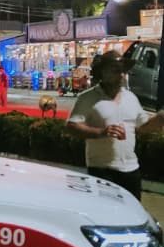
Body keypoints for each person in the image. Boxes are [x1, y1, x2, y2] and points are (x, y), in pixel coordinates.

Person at [67, 50, 164, 199]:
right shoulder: (88, 98)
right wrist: (101, 133)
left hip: (131, 169)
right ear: (103, 72)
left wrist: (159, 119)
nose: (121, 75)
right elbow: (72, 126)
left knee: (133, 215)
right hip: (102, 171)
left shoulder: (131, 98)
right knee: (107, 217)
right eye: (116, 70)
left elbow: (143, 127)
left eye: (123, 71)